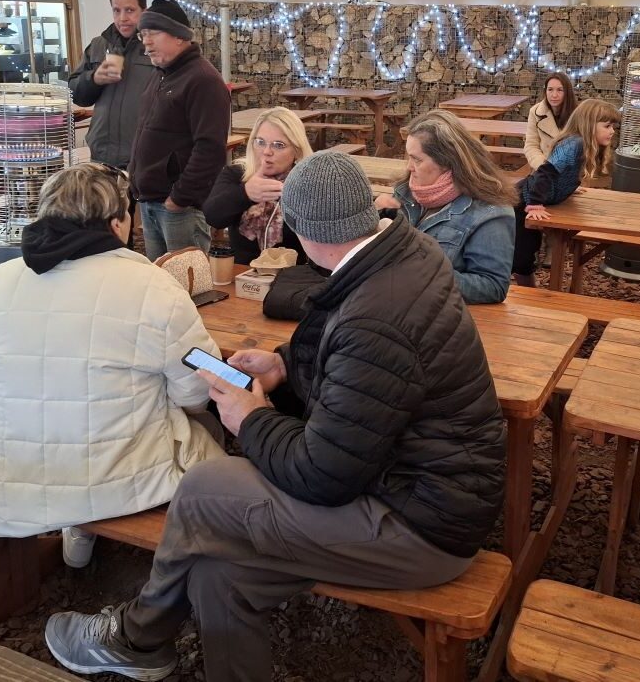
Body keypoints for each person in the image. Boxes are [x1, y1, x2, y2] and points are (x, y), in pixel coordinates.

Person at [43, 151, 506, 682]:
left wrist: (251, 416)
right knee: (220, 574)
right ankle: (155, 647)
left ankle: (136, 637)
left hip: (421, 524)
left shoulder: (378, 317)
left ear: (301, 230)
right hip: (417, 487)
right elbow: (359, 375)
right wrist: (283, 367)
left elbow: (323, 473)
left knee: (204, 487)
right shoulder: (402, 253)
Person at [0, 163, 226, 569]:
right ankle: (186, 566)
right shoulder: (153, 286)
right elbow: (198, 390)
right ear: (116, 224)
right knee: (205, 429)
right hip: (126, 483)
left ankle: (76, 534)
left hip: (10, 482)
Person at [374, 109, 517, 304]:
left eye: (417, 159)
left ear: (447, 162)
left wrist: (417, 272)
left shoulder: (490, 212)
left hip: (441, 319)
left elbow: (492, 287)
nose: (409, 167)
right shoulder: (407, 192)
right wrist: (374, 216)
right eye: (408, 157)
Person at [129, 0, 231, 261]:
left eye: (153, 33)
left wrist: (179, 199)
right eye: (143, 34)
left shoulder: (203, 80)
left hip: (178, 209)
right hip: (152, 202)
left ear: (179, 36)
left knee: (188, 289)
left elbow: (210, 149)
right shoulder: (161, 74)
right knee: (161, 286)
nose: (146, 42)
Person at [513, 99, 620, 286]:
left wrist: (568, 186)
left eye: (613, 126)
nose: (612, 131)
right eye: (607, 126)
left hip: (538, 198)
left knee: (528, 251)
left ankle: (529, 292)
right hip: (524, 200)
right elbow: (545, 172)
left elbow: (562, 172)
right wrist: (535, 204)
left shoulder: (585, 145)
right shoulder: (574, 144)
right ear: (588, 124)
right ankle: (526, 295)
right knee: (523, 254)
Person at [202, 107, 313, 265]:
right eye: (260, 142)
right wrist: (245, 193)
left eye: (278, 145)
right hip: (242, 273)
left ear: (297, 149)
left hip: (291, 277)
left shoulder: (307, 182)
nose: (267, 151)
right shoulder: (237, 174)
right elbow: (213, 216)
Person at [68, 0, 155, 170]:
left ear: (144, 11)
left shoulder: (154, 46)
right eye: (116, 10)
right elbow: (75, 93)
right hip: (101, 154)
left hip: (143, 155)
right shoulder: (99, 45)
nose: (122, 18)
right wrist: (94, 79)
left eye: (130, 10)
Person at [524, 73, 577, 170]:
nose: (554, 95)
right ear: (545, 91)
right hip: (544, 169)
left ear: (567, 92)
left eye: (560, 90)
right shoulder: (535, 112)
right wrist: (544, 166)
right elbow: (531, 145)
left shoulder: (578, 113)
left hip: (571, 170)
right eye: (550, 89)